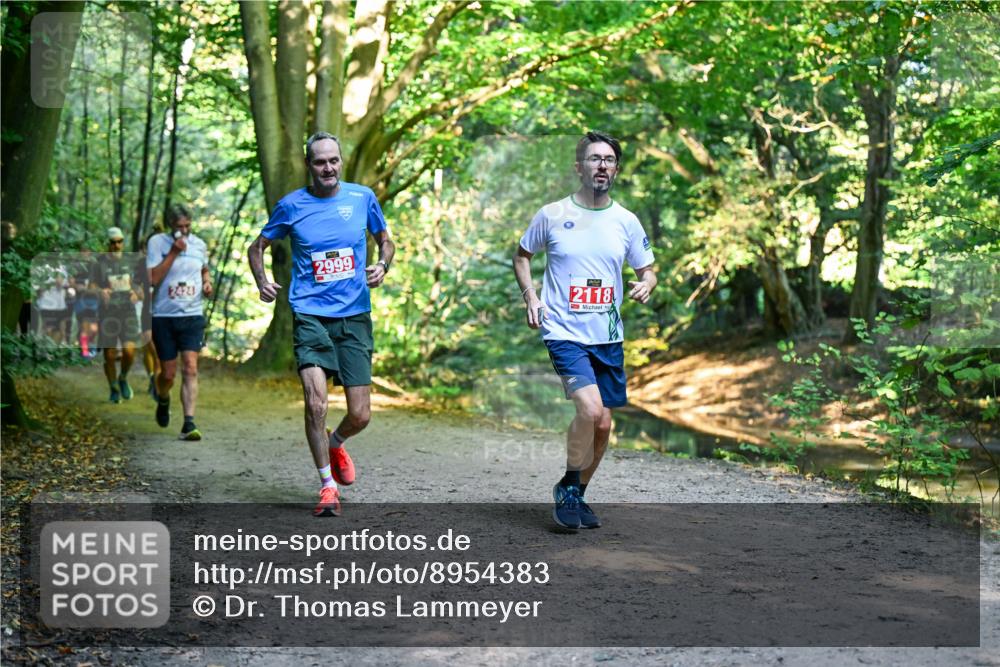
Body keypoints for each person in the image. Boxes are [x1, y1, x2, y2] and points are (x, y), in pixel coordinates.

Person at [512, 131, 657, 530]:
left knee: (605, 423)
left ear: (617, 169)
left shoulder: (626, 221)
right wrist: (531, 297)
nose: (602, 165)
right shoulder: (552, 214)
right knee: (591, 411)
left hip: (607, 334)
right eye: (594, 159)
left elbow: (647, 268)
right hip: (563, 331)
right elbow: (522, 257)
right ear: (579, 167)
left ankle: (574, 489)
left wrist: (647, 282)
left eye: (609, 159)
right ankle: (572, 487)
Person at [248, 132, 395, 517]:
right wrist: (262, 281)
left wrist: (382, 264)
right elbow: (256, 247)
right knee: (315, 403)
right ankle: (327, 486)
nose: (327, 168)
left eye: (333, 160)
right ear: (308, 165)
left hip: (354, 316)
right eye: (319, 162)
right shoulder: (291, 206)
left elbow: (385, 240)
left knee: (360, 415)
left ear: (340, 161)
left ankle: (337, 441)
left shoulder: (362, 198)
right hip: (310, 315)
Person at [147, 205, 213, 440]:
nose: (184, 231)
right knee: (167, 374)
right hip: (163, 316)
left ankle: (189, 423)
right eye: (179, 227)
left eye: (187, 226)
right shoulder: (157, 243)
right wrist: (174, 252)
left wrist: (206, 283)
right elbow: (152, 278)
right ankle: (163, 398)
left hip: (192, 315)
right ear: (169, 226)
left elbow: (204, 269)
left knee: (191, 367)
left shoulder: (199, 244)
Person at [92, 226, 143, 403]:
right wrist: (101, 291)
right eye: (113, 242)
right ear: (108, 244)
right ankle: (113, 387)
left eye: (120, 242)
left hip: (127, 311)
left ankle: (123, 378)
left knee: (129, 351)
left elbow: (140, 286)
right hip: (107, 313)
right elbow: (91, 286)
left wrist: (137, 293)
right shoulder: (99, 263)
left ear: (123, 242)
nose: (116, 245)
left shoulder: (131, 261)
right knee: (109, 354)